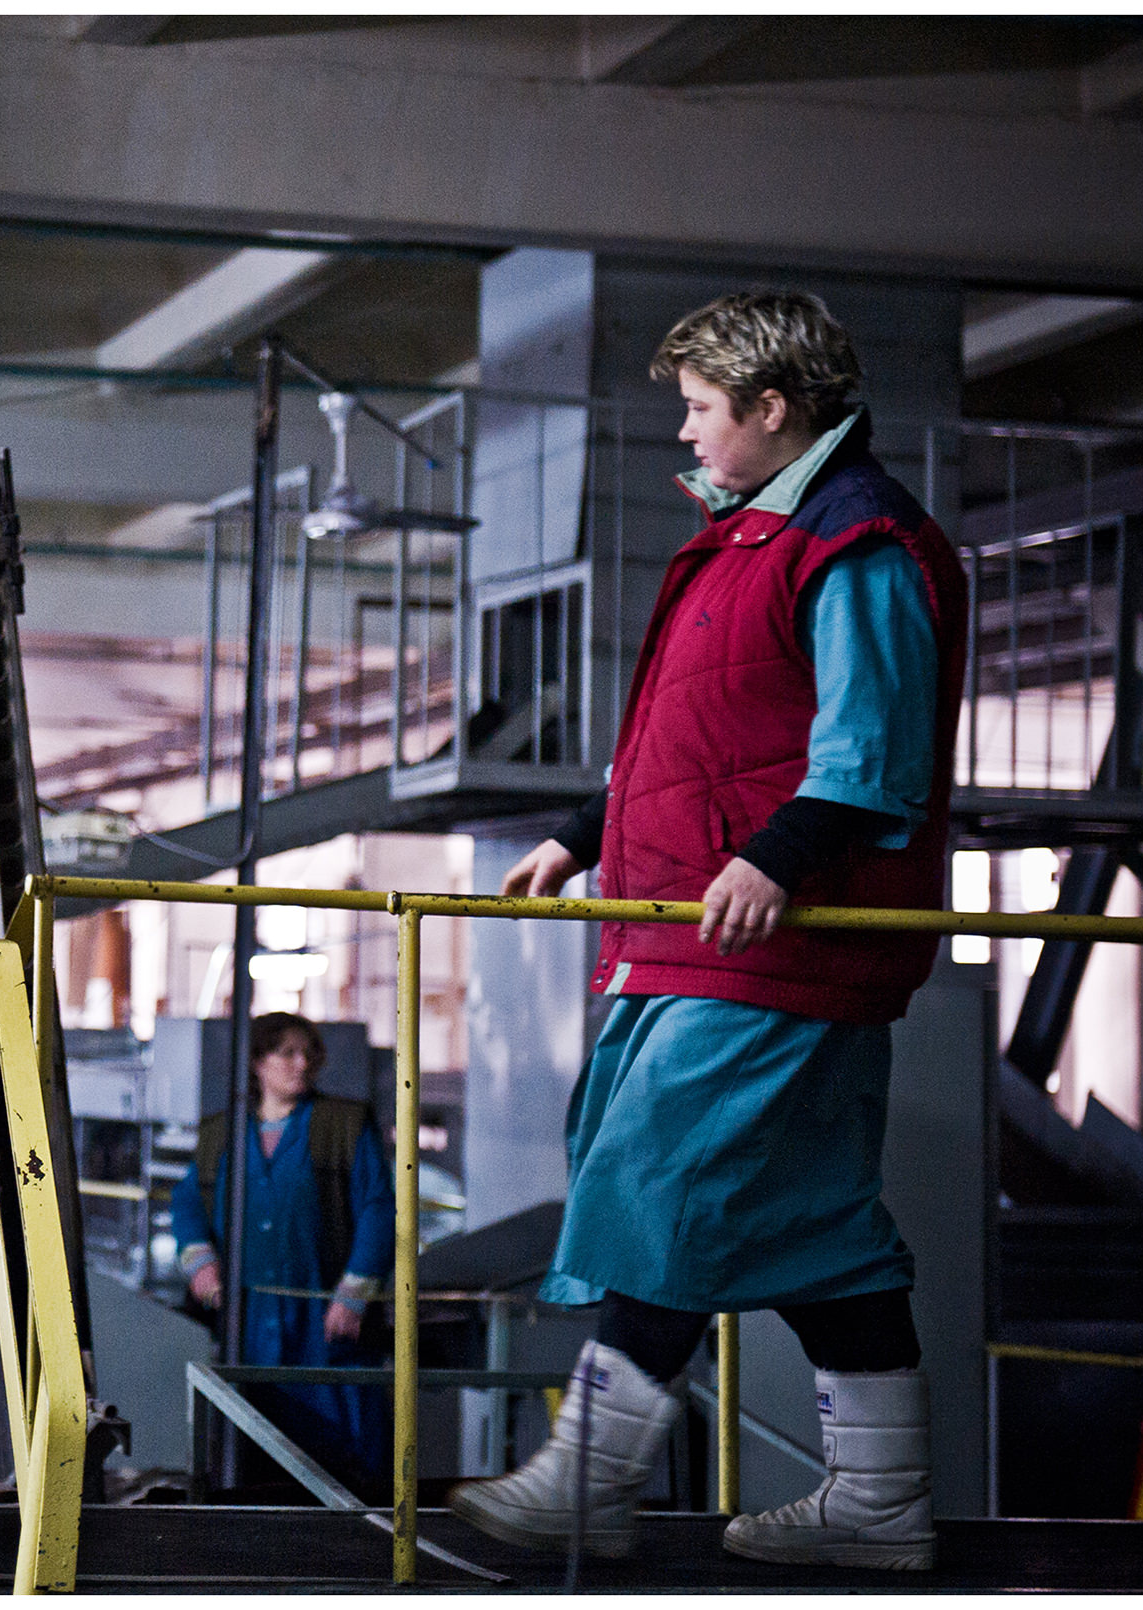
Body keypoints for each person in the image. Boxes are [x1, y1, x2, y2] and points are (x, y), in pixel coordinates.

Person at [449, 292, 967, 1571]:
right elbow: (696, 739)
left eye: (699, 407)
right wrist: (583, 833)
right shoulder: (753, 538)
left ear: (772, 408)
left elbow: (872, 749)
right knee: (817, 1228)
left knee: (658, 1174)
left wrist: (776, 858)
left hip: (774, 946)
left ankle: (588, 1481)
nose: (683, 430)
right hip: (720, 936)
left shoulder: (856, 541)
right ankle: (880, 1497)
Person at [171, 1012, 397, 1495]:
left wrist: (354, 1294)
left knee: (344, 1448)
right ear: (257, 1062)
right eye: (287, 1053)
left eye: (309, 1054)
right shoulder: (222, 1133)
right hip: (248, 1318)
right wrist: (202, 1267)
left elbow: (379, 1209)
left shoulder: (343, 1125)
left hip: (324, 1317)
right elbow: (188, 1203)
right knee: (253, 1443)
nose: (302, 1064)